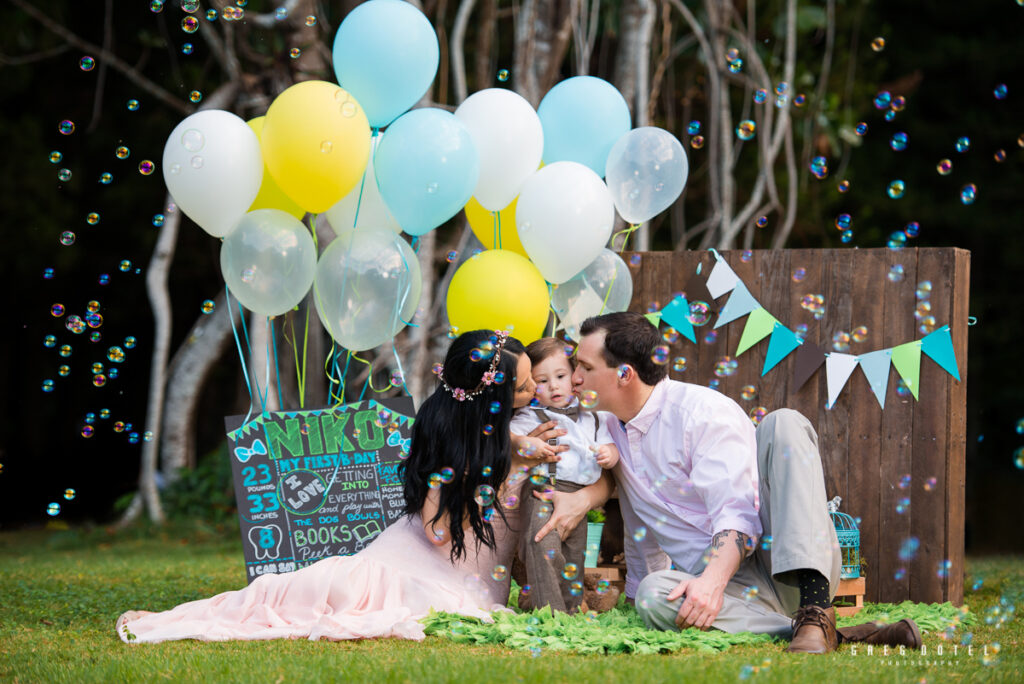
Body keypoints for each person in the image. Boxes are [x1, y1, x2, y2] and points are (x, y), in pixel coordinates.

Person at [115, 329, 600, 644]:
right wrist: (505, 471)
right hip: (421, 570)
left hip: (467, 576)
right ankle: (180, 618)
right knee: (293, 599)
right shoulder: (461, 451)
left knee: (295, 597)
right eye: (520, 388)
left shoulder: (503, 433)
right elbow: (437, 532)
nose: (535, 392)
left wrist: (518, 460)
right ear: (489, 397)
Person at [568, 312, 922, 654]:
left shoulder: (700, 412)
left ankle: (814, 608)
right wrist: (637, 599)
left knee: (783, 423)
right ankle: (825, 632)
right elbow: (640, 527)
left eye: (585, 367)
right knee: (653, 595)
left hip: (783, 561)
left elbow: (736, 514)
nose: (574, 378)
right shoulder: (607, 428)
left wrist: (710, 583)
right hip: (733, 593)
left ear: (624, 374)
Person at [508, 337, 620, 613]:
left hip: (577, 492)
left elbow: (611, 445)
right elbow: (506, 435)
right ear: (533, 386)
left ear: (574, 377)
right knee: (542, 541)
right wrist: (522, 442)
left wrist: (610, 453)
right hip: (542, 488)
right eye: (542, 381)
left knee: (573, 554)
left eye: (560, 376)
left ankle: (572, 609)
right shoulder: (531, 415)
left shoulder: (594, 416)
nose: (554, 386)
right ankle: (550, 608)